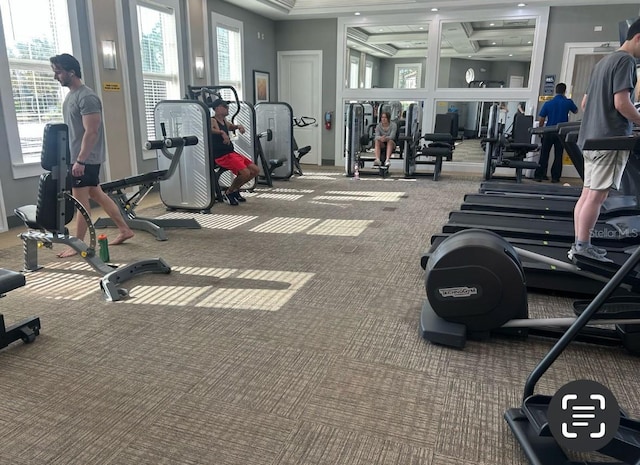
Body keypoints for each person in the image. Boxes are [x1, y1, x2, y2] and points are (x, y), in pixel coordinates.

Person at [49, 53, 134, 259]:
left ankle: (77, 245)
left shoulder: (87, 97)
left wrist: (80, 160)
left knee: (80, 202)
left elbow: (92, 131)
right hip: (81, 158)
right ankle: (125, 230)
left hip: (85, 159)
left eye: (58, 72)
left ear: (71, 71)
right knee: (97, 194)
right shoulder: (72, 96)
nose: (55, 77)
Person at [569, 18, 640, 263]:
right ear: (638, 38)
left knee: (587, 195)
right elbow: (622, 103)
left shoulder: (604, 62)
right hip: (610, 139)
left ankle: (580, 243)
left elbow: (586, 103)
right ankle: (583, 246)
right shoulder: (626, 61)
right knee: (596, 197)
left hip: (591, 138)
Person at [209, 98, 260, 205]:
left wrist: (238, 126)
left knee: (255, 170)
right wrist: (222, 133)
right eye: (225, 107)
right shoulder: (212, 120)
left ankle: (235, 189)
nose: (227, 109)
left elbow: (231, 126)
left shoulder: (224, 121)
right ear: (217, 109)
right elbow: (210, 129)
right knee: (245, 173)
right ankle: (229, 192)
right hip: (221, 156)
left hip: (231, 153)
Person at [534, 83, 578, 182]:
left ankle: (539, 175)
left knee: (544, 154)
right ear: (564, 91)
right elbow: (576, 111)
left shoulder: (548, 103)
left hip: (549, 131)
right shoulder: (568, 102)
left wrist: (541, 130)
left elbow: (542, 119)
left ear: (555, 91)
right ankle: (555, 177)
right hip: (561, 132)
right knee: (558, 155)